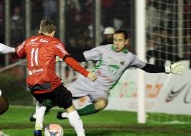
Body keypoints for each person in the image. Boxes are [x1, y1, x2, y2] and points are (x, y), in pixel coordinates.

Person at [29, 29, 186, 121]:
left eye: (119, 40)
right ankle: (41, 112)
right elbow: (81, 56)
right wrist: (61, 58)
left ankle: (69, 115)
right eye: (115, 40)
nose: (116, 43)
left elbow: (147, 67)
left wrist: (168, 69)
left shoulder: (130, 58)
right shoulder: (103, 49)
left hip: (102, 90)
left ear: (126, 42)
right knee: (56, 99)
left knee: (102, 104)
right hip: (87, 81)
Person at [12, 19, 98, 136]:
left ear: (40, 30)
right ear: (53, 32)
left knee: (41, 99)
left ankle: (37, 127)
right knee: (69, 106)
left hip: (32, 84)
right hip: (49, 82)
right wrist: (86, 73)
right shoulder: (54, 42)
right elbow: (68, 59)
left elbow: (16, 54)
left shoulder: (29, 41)